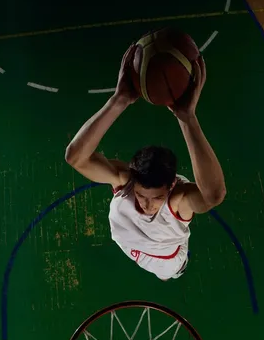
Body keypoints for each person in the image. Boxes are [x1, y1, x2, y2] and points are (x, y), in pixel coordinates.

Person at [65, 45, 226, 280]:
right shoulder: (125, 180)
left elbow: (214, 194)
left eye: (157, 197)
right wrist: (118, 100)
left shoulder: (178, 200)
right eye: (142, 195)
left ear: (171, 185)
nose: (148, 205)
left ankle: (181, 267)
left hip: (166, 261)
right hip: (130, 243)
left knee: (170, 274)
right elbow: (75, 157)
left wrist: (187, 118)